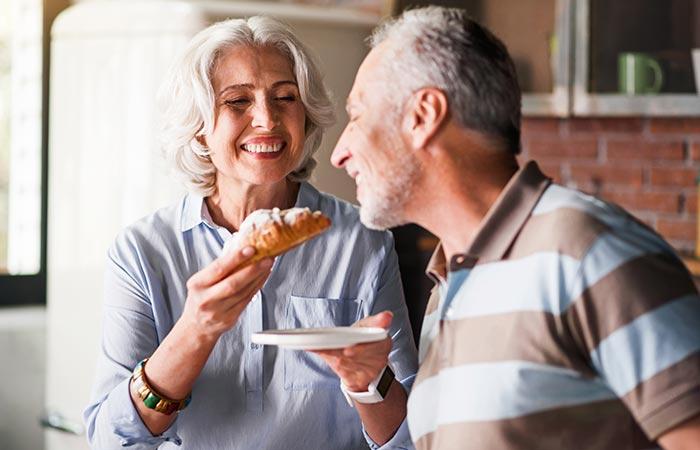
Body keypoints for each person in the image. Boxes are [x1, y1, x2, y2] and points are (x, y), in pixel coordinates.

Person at [330, 6, 700, 450]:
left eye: (357, 115)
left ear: (423, 115)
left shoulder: (589, 251)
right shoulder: (449, 282)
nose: (339, 152)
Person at [83, 16, 417, 449]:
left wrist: (369, 380)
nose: (267, 119)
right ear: (199, 129)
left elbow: (413, 439)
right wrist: (197, 329)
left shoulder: (361, 240)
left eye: (284, 97)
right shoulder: (143, 252)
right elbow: (112, 440)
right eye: (237, 101)